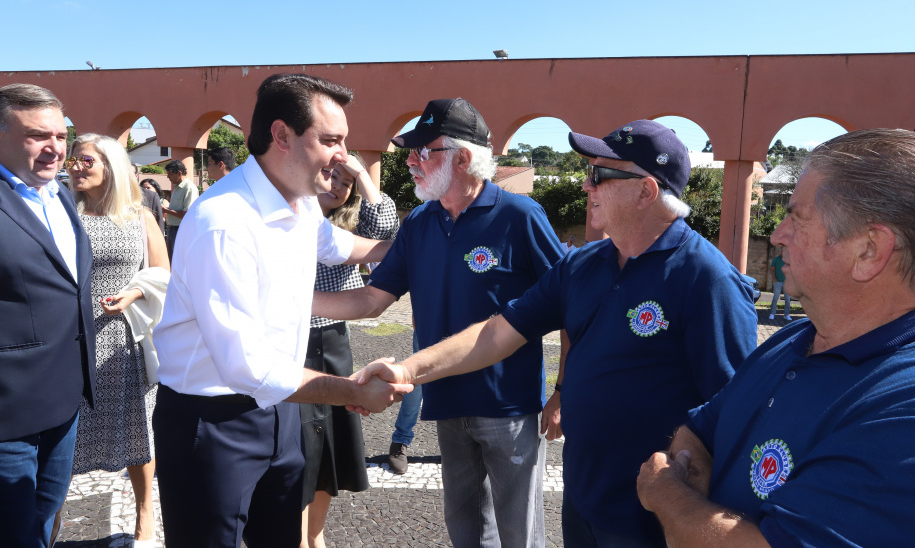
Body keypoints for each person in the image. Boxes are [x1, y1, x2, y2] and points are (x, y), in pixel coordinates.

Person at [350, 119, 758, 547]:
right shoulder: (583, 265)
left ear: (646, 191)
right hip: (583, 499)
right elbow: (495, 334)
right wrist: (408, 370)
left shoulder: (707, 278)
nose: (586, 186)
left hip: (653, 516)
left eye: (599, 175)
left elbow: (734, 412)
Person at [151, 73, 412, 548]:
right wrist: (350, 390)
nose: (344, 156)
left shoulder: (300, 200)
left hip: (281, 412)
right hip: (213, 424)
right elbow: (245, 366)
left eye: (345, 141)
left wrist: (403, 249)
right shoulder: (224, 222)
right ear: (282, 135)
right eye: (331, 139)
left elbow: (335, 244)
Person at [636, 128, 915, 547]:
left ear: (869, 251)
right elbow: (700, 428)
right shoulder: (793, 339)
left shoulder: (901, 404)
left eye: (797, 218)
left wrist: (667, 495)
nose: (778, 234)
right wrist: (698, 504)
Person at [313, 98, 566, 548]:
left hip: (509, 407)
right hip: (446, 403)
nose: (410, 160)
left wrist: (565, 390)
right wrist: (290, 302)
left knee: (520, 534)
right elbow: (372, 299)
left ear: (463, 158)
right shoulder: (420, 223)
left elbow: (572, 305)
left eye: (422, 151)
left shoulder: (520, 217)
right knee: (465, 531)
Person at [0, 83, 97, 547]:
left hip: (64, 401)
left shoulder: (57, 195)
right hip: (7, 414)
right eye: (38, 136)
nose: (55, 148)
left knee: (43, 522)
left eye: (61, 135)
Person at [66, 134, 169, 546]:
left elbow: (164, 273)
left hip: (124, 341)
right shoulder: (63, 214)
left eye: (85, 160)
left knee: (138, 429)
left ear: (109, 165)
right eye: (73, 161)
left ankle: (146, 515)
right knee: (65, 434)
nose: (75, 167)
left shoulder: (138, 216)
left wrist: (136, 292)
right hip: (72, 339)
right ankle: (52, 517)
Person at [300, 152, 400, 548]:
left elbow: (387, 229)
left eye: (346, 183)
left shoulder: (348, 227)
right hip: (294, 342)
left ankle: (316, 536)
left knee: (328, 450)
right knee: (299, 448)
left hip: (334, 339)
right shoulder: (289, 216)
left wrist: (362, 172)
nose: (338, 186)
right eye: (331, 176)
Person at [388, 330, 422, 475]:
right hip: (431, 317)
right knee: (418, 377)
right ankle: (400, 439)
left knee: (458, 378)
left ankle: (458, 444)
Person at [160, 159, 197, 260]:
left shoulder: (190, 188)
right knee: (172, 261)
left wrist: (166, 210)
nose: (168, 177)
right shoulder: (177, 187)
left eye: (170, 174)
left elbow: (187, 214)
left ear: (179, 173)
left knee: (179, 261)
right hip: (172, 229)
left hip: (180, 230)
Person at [132, 162, 164, 233]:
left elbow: (159, 223)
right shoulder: (111, 196)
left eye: (130, 173)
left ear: (136, 175)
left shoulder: (151, 196)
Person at [768, 249, 792, 320]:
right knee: (775, 298)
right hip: (778, 282)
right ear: (781, 252)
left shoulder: (789, 260)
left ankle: (786, 315)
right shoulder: (776, 259)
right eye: (782, 251)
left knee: (788, 299)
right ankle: (772, 314)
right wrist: (775, 279)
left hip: (787, 283)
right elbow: (772, 269)